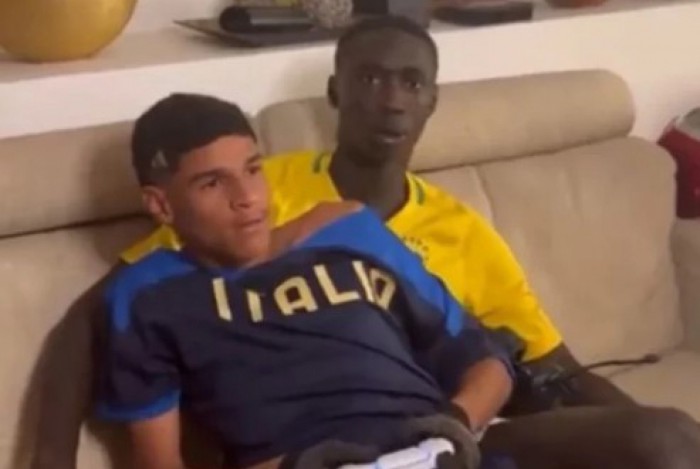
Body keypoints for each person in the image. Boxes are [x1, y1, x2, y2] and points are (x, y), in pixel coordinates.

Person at [114, 15, 700, 469]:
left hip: (441, 439)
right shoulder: (158, 285)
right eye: (371, 79)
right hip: (317, 456)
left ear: (432, 100)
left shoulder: (380, 231)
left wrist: (449, 428)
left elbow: (525, 363)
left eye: (412, 83)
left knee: (668, 437)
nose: (247, 198)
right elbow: (120, 308)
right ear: (336, 91)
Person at [95, 93, 515, 469]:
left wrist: (450, 429)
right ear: (161, 205)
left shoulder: (350, 229)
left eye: (253, 170)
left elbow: (487, 362)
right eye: (212, 183)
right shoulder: (147, 295)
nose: (247, 197)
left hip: (436, 451)